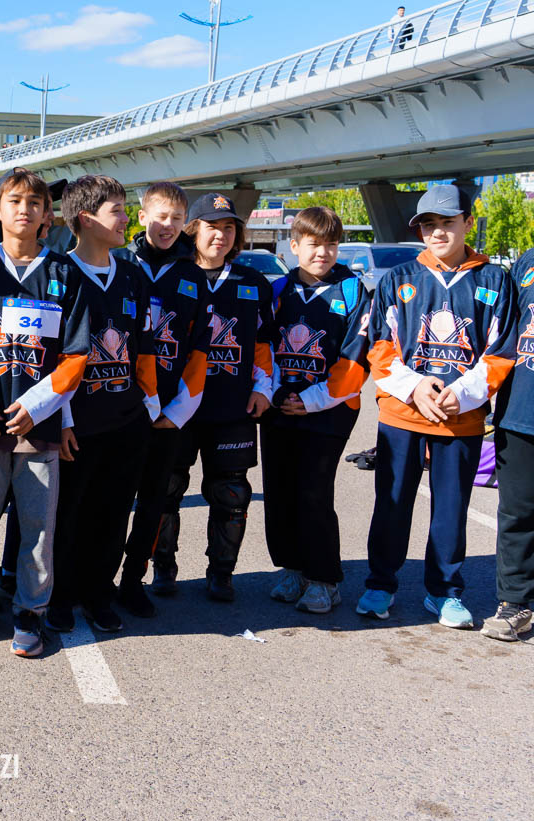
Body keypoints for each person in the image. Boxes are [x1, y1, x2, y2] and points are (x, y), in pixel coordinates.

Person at [360, 185, 515, 627]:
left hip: (459, 419)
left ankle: (444, 592)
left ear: (468, 222)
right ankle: (380, 583)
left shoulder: (494, 280)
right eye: (429, 224)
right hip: (402, 414)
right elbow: (380, 348)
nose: (438, 232)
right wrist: (415, 388)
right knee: (392, 504)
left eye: (448, 222)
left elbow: (501, 352)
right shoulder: (399, 278)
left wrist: (461, 394)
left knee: (450, 510)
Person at [0, 168, 90, 658]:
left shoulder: (64, 273)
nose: (24, 209)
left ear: (46, 214)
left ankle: (31, 609)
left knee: (38, 525)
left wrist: (38, 407)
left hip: (39, 425)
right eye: (14, 201)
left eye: (35, 202)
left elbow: (75, 355)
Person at [47, 175, 158, 633]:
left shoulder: (132, 274)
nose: (126, 218)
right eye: (117, 210)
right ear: (86, 219)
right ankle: (59, 595)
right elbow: (52, 357)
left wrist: (149, 406)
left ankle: (98, 592)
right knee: (68, 514)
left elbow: (145, 347)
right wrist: (62, 419)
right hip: (78, 423)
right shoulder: (59, 273)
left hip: (126, 419)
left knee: (113, 513)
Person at [154, 193, 274, 602]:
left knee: (232, 493)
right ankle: (163, 567)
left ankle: (221, 573)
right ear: (193, 230)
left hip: (231, 408)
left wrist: (263, 388)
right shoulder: (171, 277)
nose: (220, 235)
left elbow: (264, 343)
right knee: (166, 489)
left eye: (228, 228)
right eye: (211, 227)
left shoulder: (253, 283)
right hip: (176, 409)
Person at [261, 207, 371, 615]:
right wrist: (275, 393)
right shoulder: (277, 290)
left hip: (329, 410)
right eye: (313, 244)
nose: (323, 252)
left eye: (331, 244)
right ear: (293, 246)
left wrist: (311, 400)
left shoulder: (353, 291)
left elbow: (356, 358)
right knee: (280, 491)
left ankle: (324, 578)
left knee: (314, 492)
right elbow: (262, 346)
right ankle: (292, 567)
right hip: (279, 406)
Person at [116, 182, 210, 610]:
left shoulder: (194, 276)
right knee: (113, 499)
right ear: (142, 217)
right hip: (120, 408)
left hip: (167, 415)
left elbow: (200, 350)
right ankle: (96, 578)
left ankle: (133, 580)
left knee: (154, 501)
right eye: (160, 216)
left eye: (176, 218)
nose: (168, 226)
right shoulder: (120, 263)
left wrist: (177, 411)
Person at [484, 247, 534, 640]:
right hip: (520, 413)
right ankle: (515, 603)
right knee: (517, 514)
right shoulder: (526, 263)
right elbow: (500, 338)